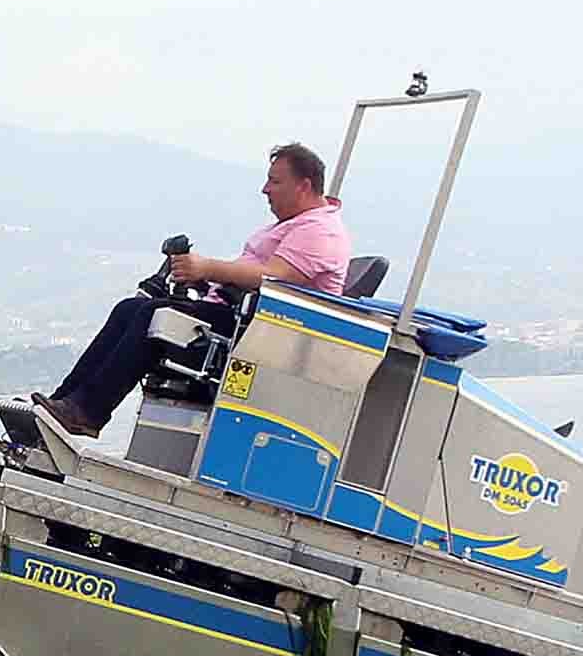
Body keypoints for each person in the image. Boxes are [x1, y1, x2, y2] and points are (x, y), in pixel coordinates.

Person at [39, 143, 352, 437]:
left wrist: (207, 269)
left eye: (275, 182)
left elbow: (273, 278)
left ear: (304, 186)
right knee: (129, 309)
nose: (265, 189)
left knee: (154, 315)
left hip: (261, 334)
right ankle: (67, 401)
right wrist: (200, 281)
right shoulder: (295, 225)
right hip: (239, 317)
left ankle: (88, 412)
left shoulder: (319, 231)